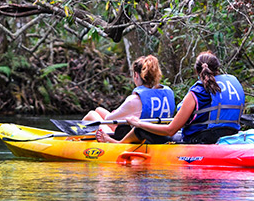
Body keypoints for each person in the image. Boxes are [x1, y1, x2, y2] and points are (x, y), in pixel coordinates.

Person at [97, 51, 244, 144]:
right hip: (230, 134)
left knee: (141, 130)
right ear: (217, 67)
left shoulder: (197, 92)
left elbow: (170, 131)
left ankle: (118, 144)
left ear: (197, 70)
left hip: (201, 140)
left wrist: (138, 123)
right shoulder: (232, 83)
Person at [83, 55, 175, 142]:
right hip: (157, 135)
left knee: (92, 114)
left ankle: (76, 142)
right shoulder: (168, 93)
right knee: (99, 110)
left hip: (136, 139)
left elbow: (108, 120)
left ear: (136, 75)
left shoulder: (134, 100)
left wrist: (117, 112)